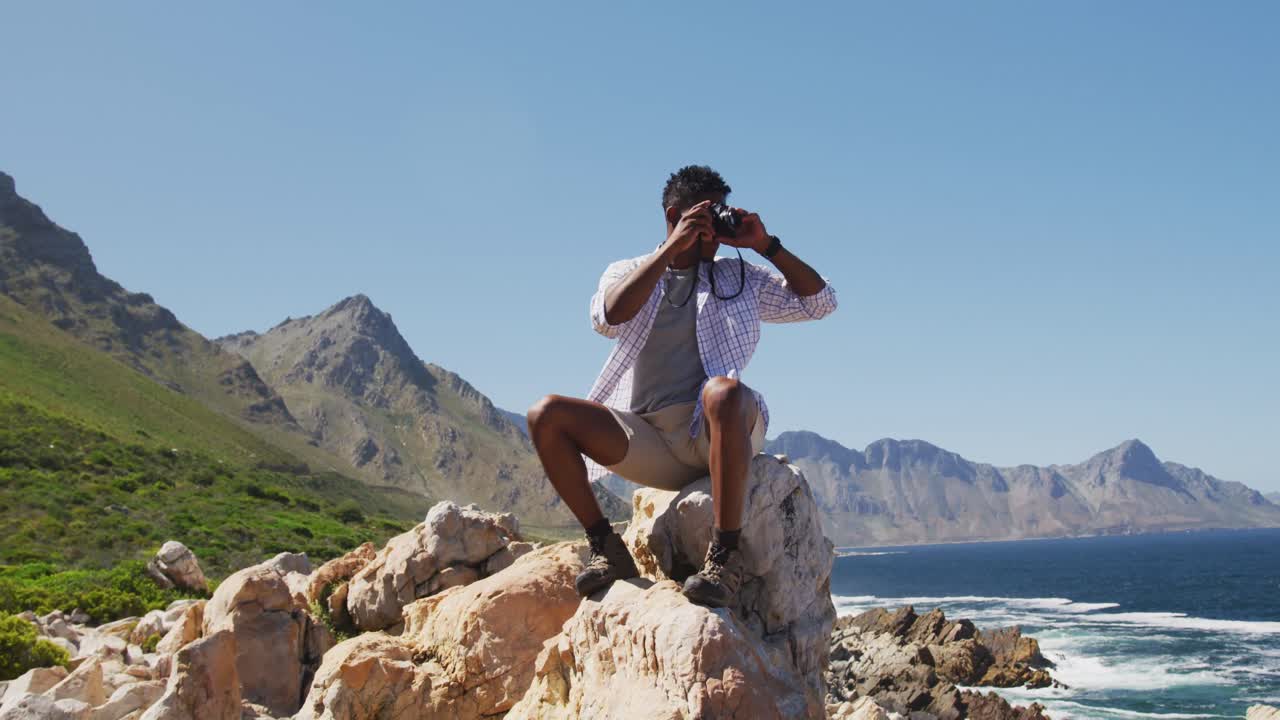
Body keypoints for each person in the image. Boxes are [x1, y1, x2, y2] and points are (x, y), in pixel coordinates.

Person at [526, 165, 837, 607]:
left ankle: (724, 557)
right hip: (650, 439)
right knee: (546, 414)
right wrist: (672, 250)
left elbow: (820, 303)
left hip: (720, 429)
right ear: (675, 215)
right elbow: (608, 317)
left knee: (723, 391)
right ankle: (606, 547)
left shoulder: (737, 277)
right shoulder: (630, 270)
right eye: (708, 218)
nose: (715, 231)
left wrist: (766, 245)